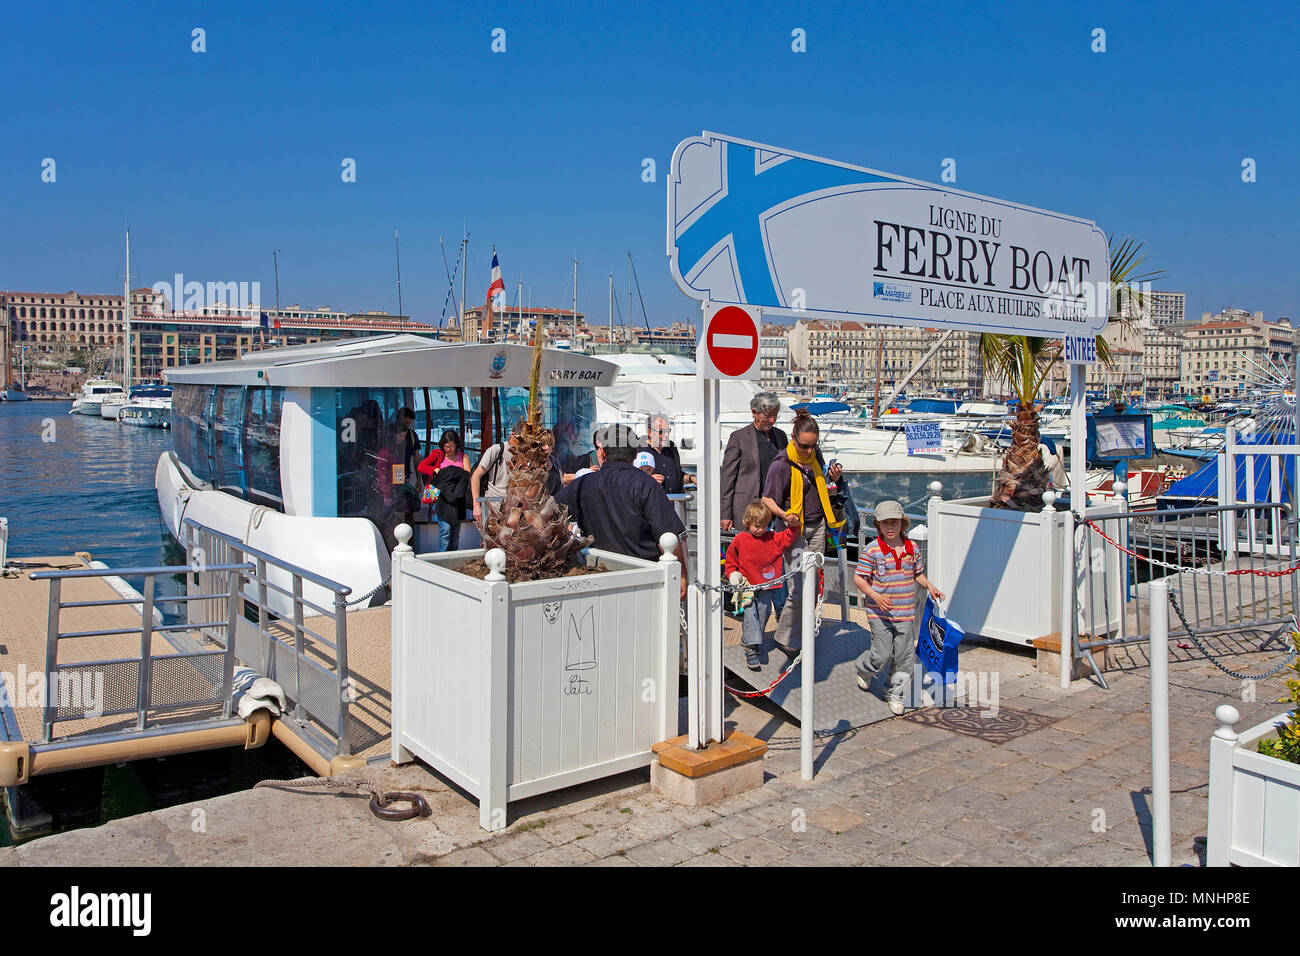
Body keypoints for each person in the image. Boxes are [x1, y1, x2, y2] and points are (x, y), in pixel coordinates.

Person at [556, 424, 688, 599]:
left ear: (602, 453)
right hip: (644, 579)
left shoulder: (581, 485)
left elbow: (549, 515)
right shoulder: (646, 485)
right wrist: (682, 576)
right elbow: (668, 535)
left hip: (596, 576)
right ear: (635, 455)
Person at [761, 408, 845, 652]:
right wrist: (784, 515)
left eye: (813, 446)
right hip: (792, 530)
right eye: (804, 446)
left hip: (818, 525)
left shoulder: (815, 457)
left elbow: (821, 488)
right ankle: (786, 638)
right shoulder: (781, 465)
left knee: (812, 587)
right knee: (799, 588)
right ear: (793, 438)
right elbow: (767, 499)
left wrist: (835, 479)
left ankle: (800, 634)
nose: (809, 451)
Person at [853, 500, 945, 715]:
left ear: (903, 523)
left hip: (905, 613)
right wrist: (875, 596)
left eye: (894, 522)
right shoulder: (872, 549)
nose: (890, 527)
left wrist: (930, 586)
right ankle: (864, 668)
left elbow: (918, 574)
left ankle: (894, 693)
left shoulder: (911, 548)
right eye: (885, 524)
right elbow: (859, 578)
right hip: (879, 613)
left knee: (904, 657)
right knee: (882, 654)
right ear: (878, 526)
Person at [724, 501, 799, 670]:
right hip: (748, 587)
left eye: (764, 526)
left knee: (763, 615)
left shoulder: (773, 537)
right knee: (751, 616)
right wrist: (733, 575)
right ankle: (751, 647)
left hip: (766, 587)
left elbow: (788, 537)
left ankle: (750, 640)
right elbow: (731, 561)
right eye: (757, 526)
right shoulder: (739, 539)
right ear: (748, 522)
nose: (760, 529)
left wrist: (794, 526)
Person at [720, 393, 788, 531]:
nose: (772, 420)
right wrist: (725, 514)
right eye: (768, 416)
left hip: (775, 509)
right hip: (747, 508)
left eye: (775, 415)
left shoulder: (781, 436)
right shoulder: (738, 438)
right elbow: (728, 478)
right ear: (754, 413)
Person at [418, 429, 472, 550]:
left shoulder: (462, 456)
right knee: (445, 529)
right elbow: (421, 466)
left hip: (456, 498)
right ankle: (442, 555)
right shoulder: (438, 454)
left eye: (451, 446)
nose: (448, 449)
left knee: (455, 531)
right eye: (446, 446)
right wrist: (434, 470)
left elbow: (468, 473)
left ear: (456, 445)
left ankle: (453, 555)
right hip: (440, 498)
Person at [470, 420, 524, 523]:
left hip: (515, 509)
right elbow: (476, 476)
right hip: (493, 506)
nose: (523, 443)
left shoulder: (525, 455)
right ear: (513, 435)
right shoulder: (497, 450)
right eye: (521, 439)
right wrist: (476, 505)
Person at [641, 413, 690, 494]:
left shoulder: (672, 448)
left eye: (668, 431)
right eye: (662, 432)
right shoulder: (638, 450)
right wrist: (648, 480)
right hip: (651, 504)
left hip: (674, 503)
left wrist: (691, 478)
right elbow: (630, 478)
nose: (666, 435)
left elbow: (677, 476)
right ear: (649, 432)